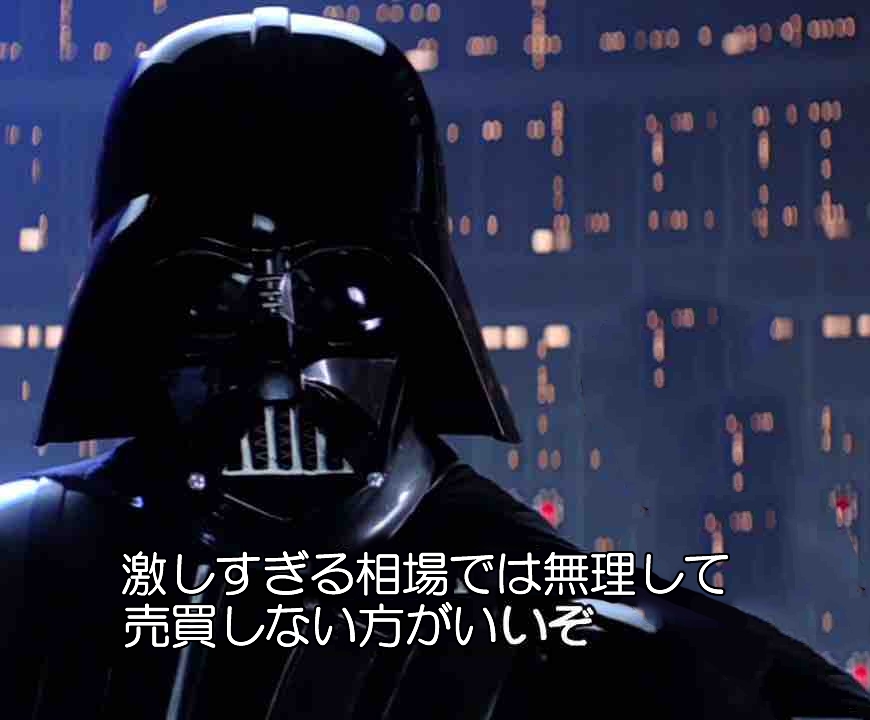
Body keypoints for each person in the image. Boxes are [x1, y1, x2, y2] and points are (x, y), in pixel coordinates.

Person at [1, 7, 868, 718]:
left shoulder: (625, 657)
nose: (278, 348)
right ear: (131, 309)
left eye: (336, 284)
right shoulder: (27, 570)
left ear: (418, 305)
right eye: (213, 288)